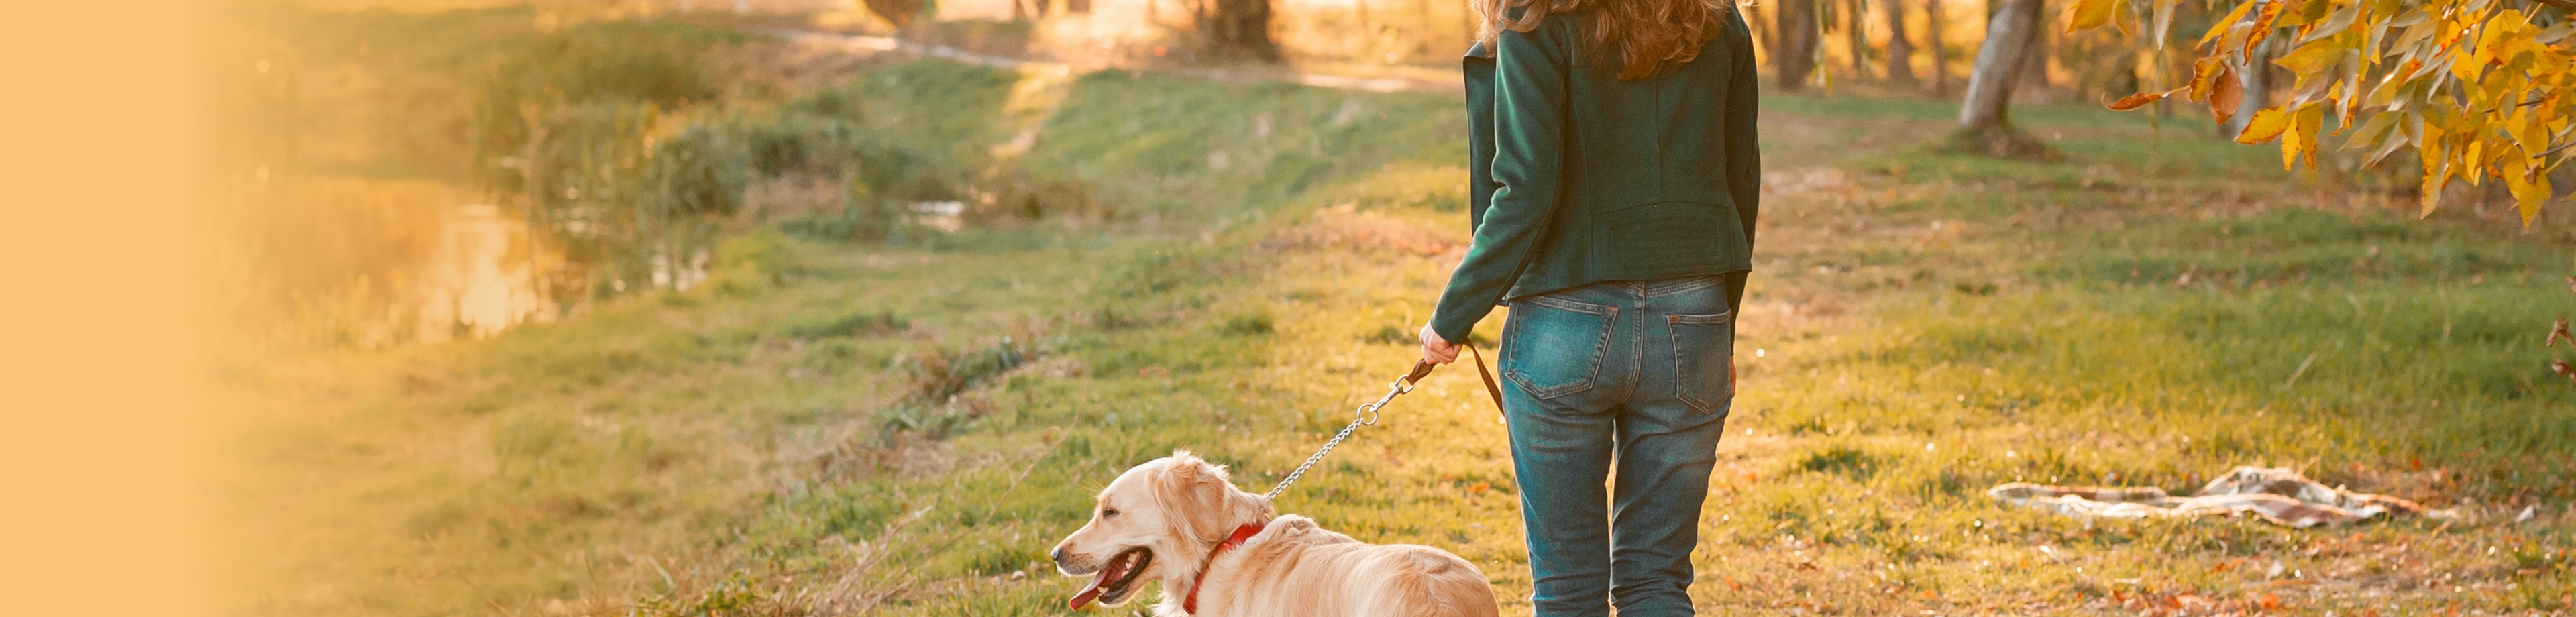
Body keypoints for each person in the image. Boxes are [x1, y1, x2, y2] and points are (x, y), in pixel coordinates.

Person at [1415, 0, 1759, 615]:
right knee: (1657, 582)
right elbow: (1741, 181)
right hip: (1694, 315)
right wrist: (1722, 326)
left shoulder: (1533, 18)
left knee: (1568, 591)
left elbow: (1526, 189)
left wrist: (1452, 317)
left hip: (1564, 320)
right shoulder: (1717, 17)